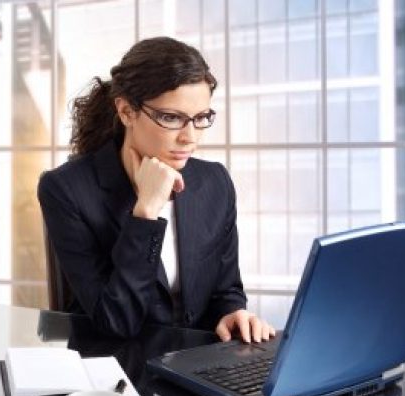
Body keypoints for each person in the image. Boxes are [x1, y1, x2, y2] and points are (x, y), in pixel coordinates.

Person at [38, 37, 275, 342]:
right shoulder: (67, 190)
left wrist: (232, 313)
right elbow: (116, 322)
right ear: (126, 111)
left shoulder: (214, 182)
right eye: (171, 118)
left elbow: (225, 290)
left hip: (195, 365)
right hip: (117, 370)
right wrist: (146, 211)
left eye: (201, 118)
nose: (190, 137)